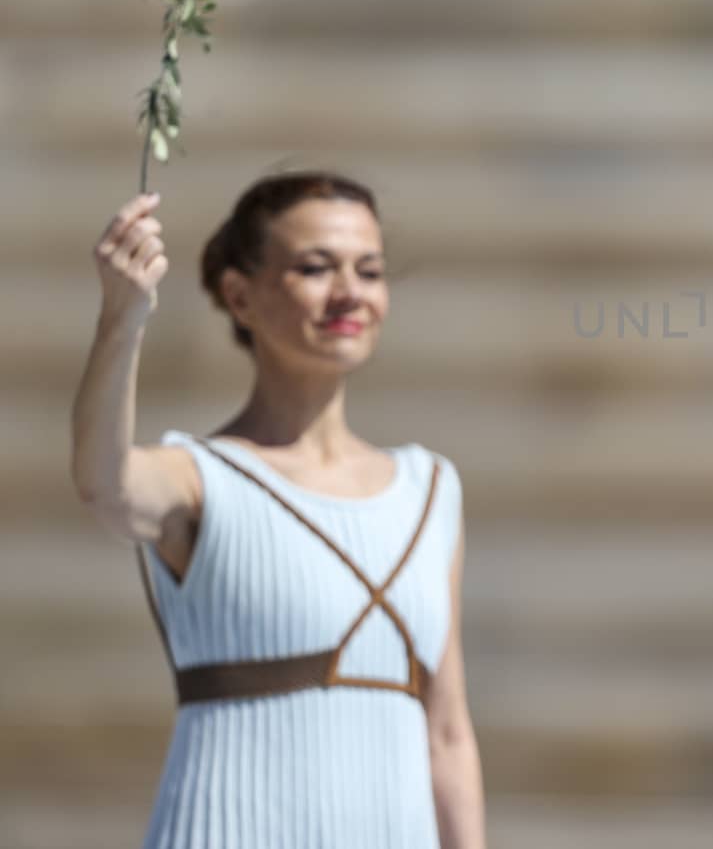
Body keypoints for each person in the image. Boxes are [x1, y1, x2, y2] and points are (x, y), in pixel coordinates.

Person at [69, 172, 486, 849]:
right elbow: (103, 484)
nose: (350, 292)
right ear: (240, 295)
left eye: (370, 270)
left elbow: (447, 732)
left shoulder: (430, 488)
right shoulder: (198, 477)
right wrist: (122, 315)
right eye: (315, 267)